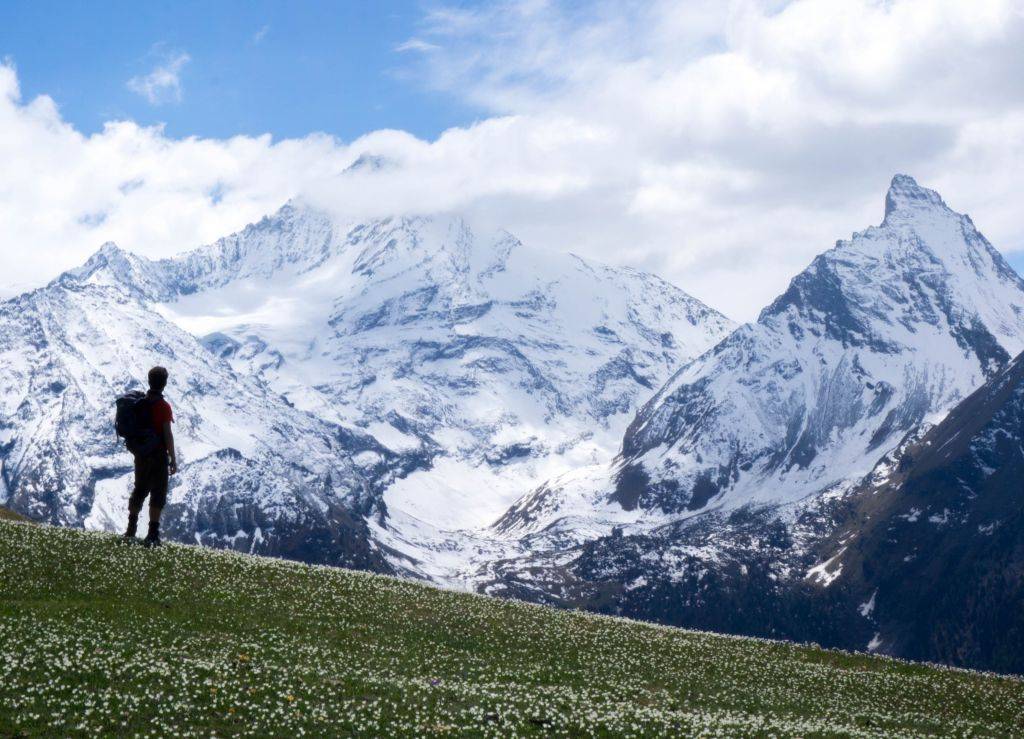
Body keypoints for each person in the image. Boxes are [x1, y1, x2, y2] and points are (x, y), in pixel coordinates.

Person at [124, 366, 178, 547]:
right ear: (164, 383)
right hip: (157, 456)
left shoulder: (140, 403)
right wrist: (173, 458)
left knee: (139, 490)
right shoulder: (163, 407)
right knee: (158, 493)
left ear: (149, 381)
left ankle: (131, 528)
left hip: (141, 455)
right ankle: (152, 534)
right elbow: (167, 434)